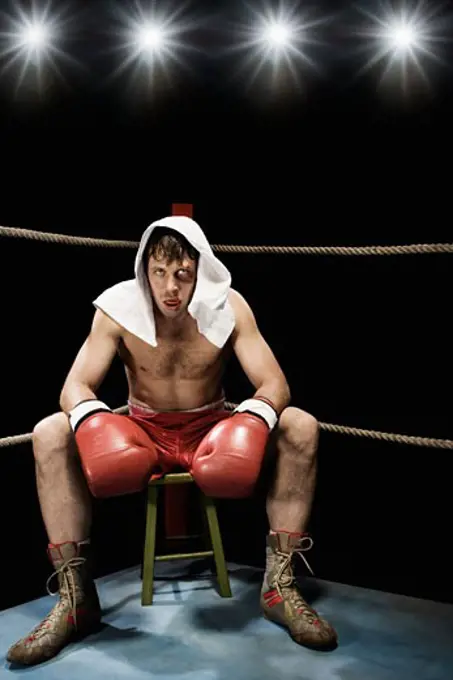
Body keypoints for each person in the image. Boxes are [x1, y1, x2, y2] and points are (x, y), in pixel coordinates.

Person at [6, 215, 338, 666]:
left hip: (210, 428)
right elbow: (74, 387)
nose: (170, 287)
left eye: (182, 274)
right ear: (144, 268)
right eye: (159, 273)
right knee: (50, 431)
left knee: (300, 424)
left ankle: (280, 586)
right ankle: (74, 600)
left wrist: (252, 422)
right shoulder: (117, 309)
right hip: (143, 429)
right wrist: (96, 425)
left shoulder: (228, 306)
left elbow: (274, 385)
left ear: (199, 271)